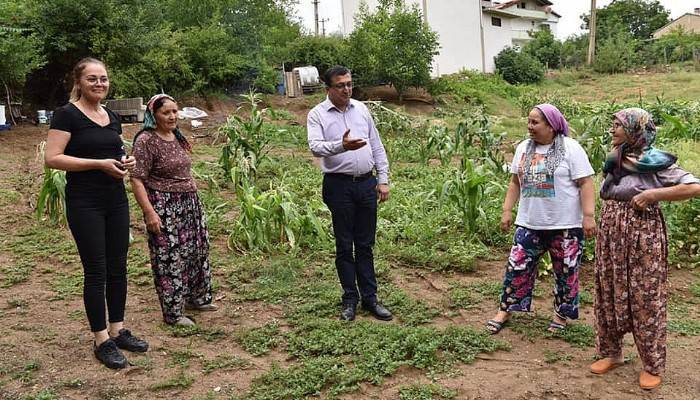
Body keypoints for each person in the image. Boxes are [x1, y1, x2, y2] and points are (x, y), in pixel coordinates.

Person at [44, 57, 148, 369]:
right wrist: (97, 164)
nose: (99, 84)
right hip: (84, 201)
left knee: (119, 267)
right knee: (97, 270)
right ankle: (101, 339)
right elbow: (53, 158)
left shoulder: (111, 115)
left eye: (103, 78)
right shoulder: (67, 115)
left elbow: (113, 151)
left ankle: (117, 330)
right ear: (79, 82)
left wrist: (124, 162)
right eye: (92, 79)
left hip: (115, 199)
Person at [590, 108, 700, 390]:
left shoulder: (655, 161)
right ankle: (611, 353)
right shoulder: (615, 159)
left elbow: (694, 186)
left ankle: (652, 364)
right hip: (611, 233)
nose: (612, 129)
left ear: (636, 130)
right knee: (609, 290)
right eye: (612, 124)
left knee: (645, 296)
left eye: (618, 125)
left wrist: (654, 194)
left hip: (643, 235)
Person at [486, 104, 596, 335]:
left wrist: (588, 216)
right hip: (529, 222)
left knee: (566, 272)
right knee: (517, 267)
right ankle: (505, 309)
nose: (530, 126)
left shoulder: (571, 148)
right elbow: (515, 182)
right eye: (529, 121)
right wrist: (507, 210)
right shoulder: (524, 148)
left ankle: (561, 315)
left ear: (551, 125)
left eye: (535, 122)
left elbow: (585, 182)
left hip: (565, 224)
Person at [307, 65, 392, 322]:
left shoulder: (362, 109)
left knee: (365, 244)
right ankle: (349, 299)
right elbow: (315, 147)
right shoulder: (317, 114)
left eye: (349, 84)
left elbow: (376, 144)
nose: (347, 89)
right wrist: (341, 146)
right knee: (345, 245)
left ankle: (370, 298)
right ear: (328, 89)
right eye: (341, 85)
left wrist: (383, 179)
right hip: (338, 185)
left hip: (366, 184)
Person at [130, 94, 216, 327]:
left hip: (189, 202)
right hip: (165, 205)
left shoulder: (176, 136)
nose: (172, 116)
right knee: (169, 257)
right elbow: (137, 179)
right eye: (166, 112)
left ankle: (197, 298)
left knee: (196, 250)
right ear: (153, 115)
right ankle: (174, 313)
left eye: (175, 111)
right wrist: (149, 212)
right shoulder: (146, 140)